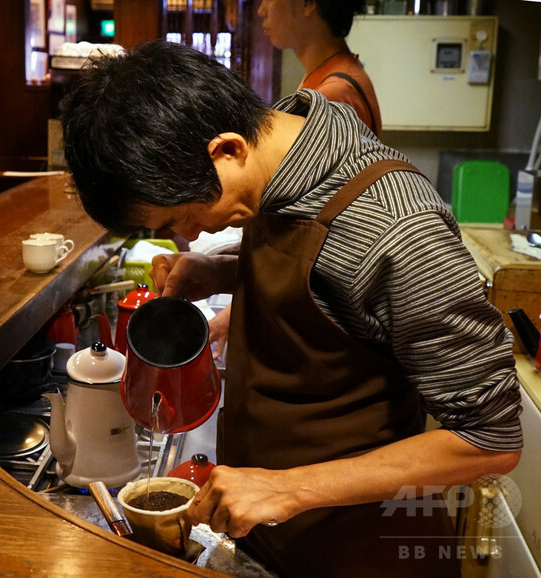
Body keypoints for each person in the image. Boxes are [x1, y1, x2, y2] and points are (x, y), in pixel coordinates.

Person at [60, 41, 522, 577]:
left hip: (361, 553)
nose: (191, 234)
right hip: (272, 539)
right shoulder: (274, 158)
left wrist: (287, 488)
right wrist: (223, 270)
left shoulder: (399, 228)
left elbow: (490, 441)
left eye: (183, 216)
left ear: (227, 150)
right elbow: (330, 280)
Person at [208, 0, 381, 357]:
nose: (261, 11)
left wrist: (237, 310)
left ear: (307, 4)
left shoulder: (334, 95)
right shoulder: (325, 78)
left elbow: (318, 238)